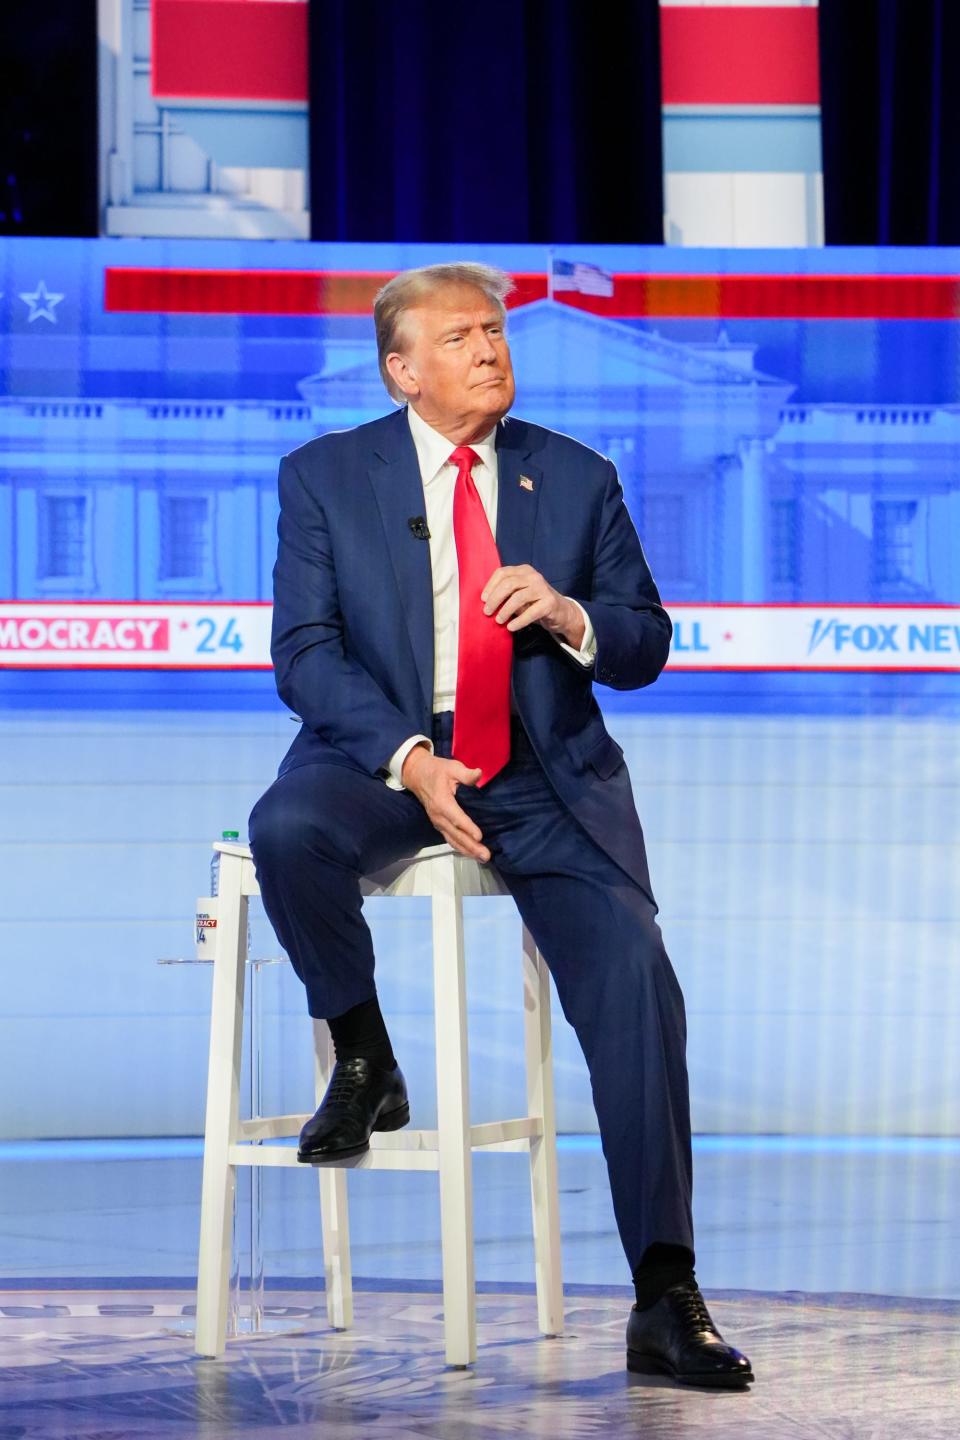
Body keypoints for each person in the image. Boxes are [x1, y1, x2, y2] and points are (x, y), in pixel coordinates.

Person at [248, 262, 753, 1388]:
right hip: (384, 756)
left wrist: (573, 614)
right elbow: (304, 655)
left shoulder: (573, 477)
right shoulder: (325, 477)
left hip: (540, 775)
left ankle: (665, 1294)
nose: (490, 349)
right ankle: (366, 1053)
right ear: (403, 369)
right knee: (286, 831)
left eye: (497, 330)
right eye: (462, 335)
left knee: (635, 978)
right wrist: (412, 761)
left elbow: (648, 640)